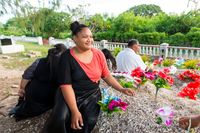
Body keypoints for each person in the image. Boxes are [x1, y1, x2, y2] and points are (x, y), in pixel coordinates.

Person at [42, 21, 135, 133]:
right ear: (75, 39)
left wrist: (121, 88)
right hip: (69, 93)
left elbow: (106, 75)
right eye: (85, 37)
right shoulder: (66, 57)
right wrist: (74, 110)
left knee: (88, 122)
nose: (89, 40)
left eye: (91, 36)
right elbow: (66, 86)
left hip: (91, 95)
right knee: (60, 119)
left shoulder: (98, 54)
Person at [9, 43, 67, 121]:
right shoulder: (66, 66)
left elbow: (26, 76)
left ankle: (22, 108)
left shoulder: (39, 61)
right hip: (51, 100)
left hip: (34, 97)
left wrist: (22, 89)